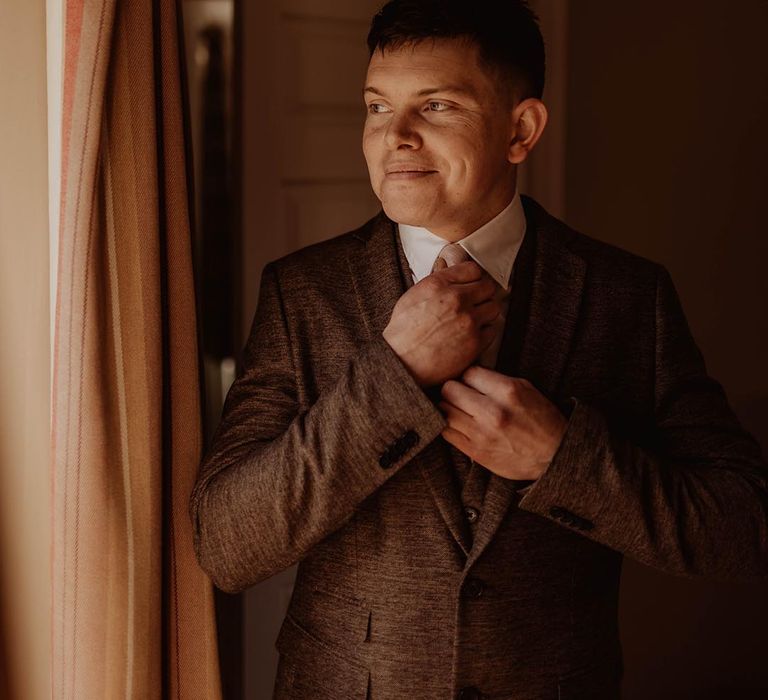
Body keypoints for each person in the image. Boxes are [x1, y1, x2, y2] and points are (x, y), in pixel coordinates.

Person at [189, 1, 768, 698]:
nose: (394, 136)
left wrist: (565, 461)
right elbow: (226, 545)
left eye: (435, 106)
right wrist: (390, 379)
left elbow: (744, 528)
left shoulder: (628, 296)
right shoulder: (302, 292)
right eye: (377, 107)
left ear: (520, 130)